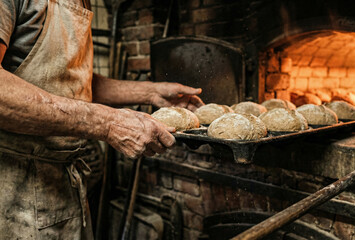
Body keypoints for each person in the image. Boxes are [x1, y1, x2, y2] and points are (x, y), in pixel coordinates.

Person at [0, 0, 204, 239]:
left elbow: (74, 83)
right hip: (13, 191)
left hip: (66, 187)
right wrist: (107, 123)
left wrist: (150, 92)